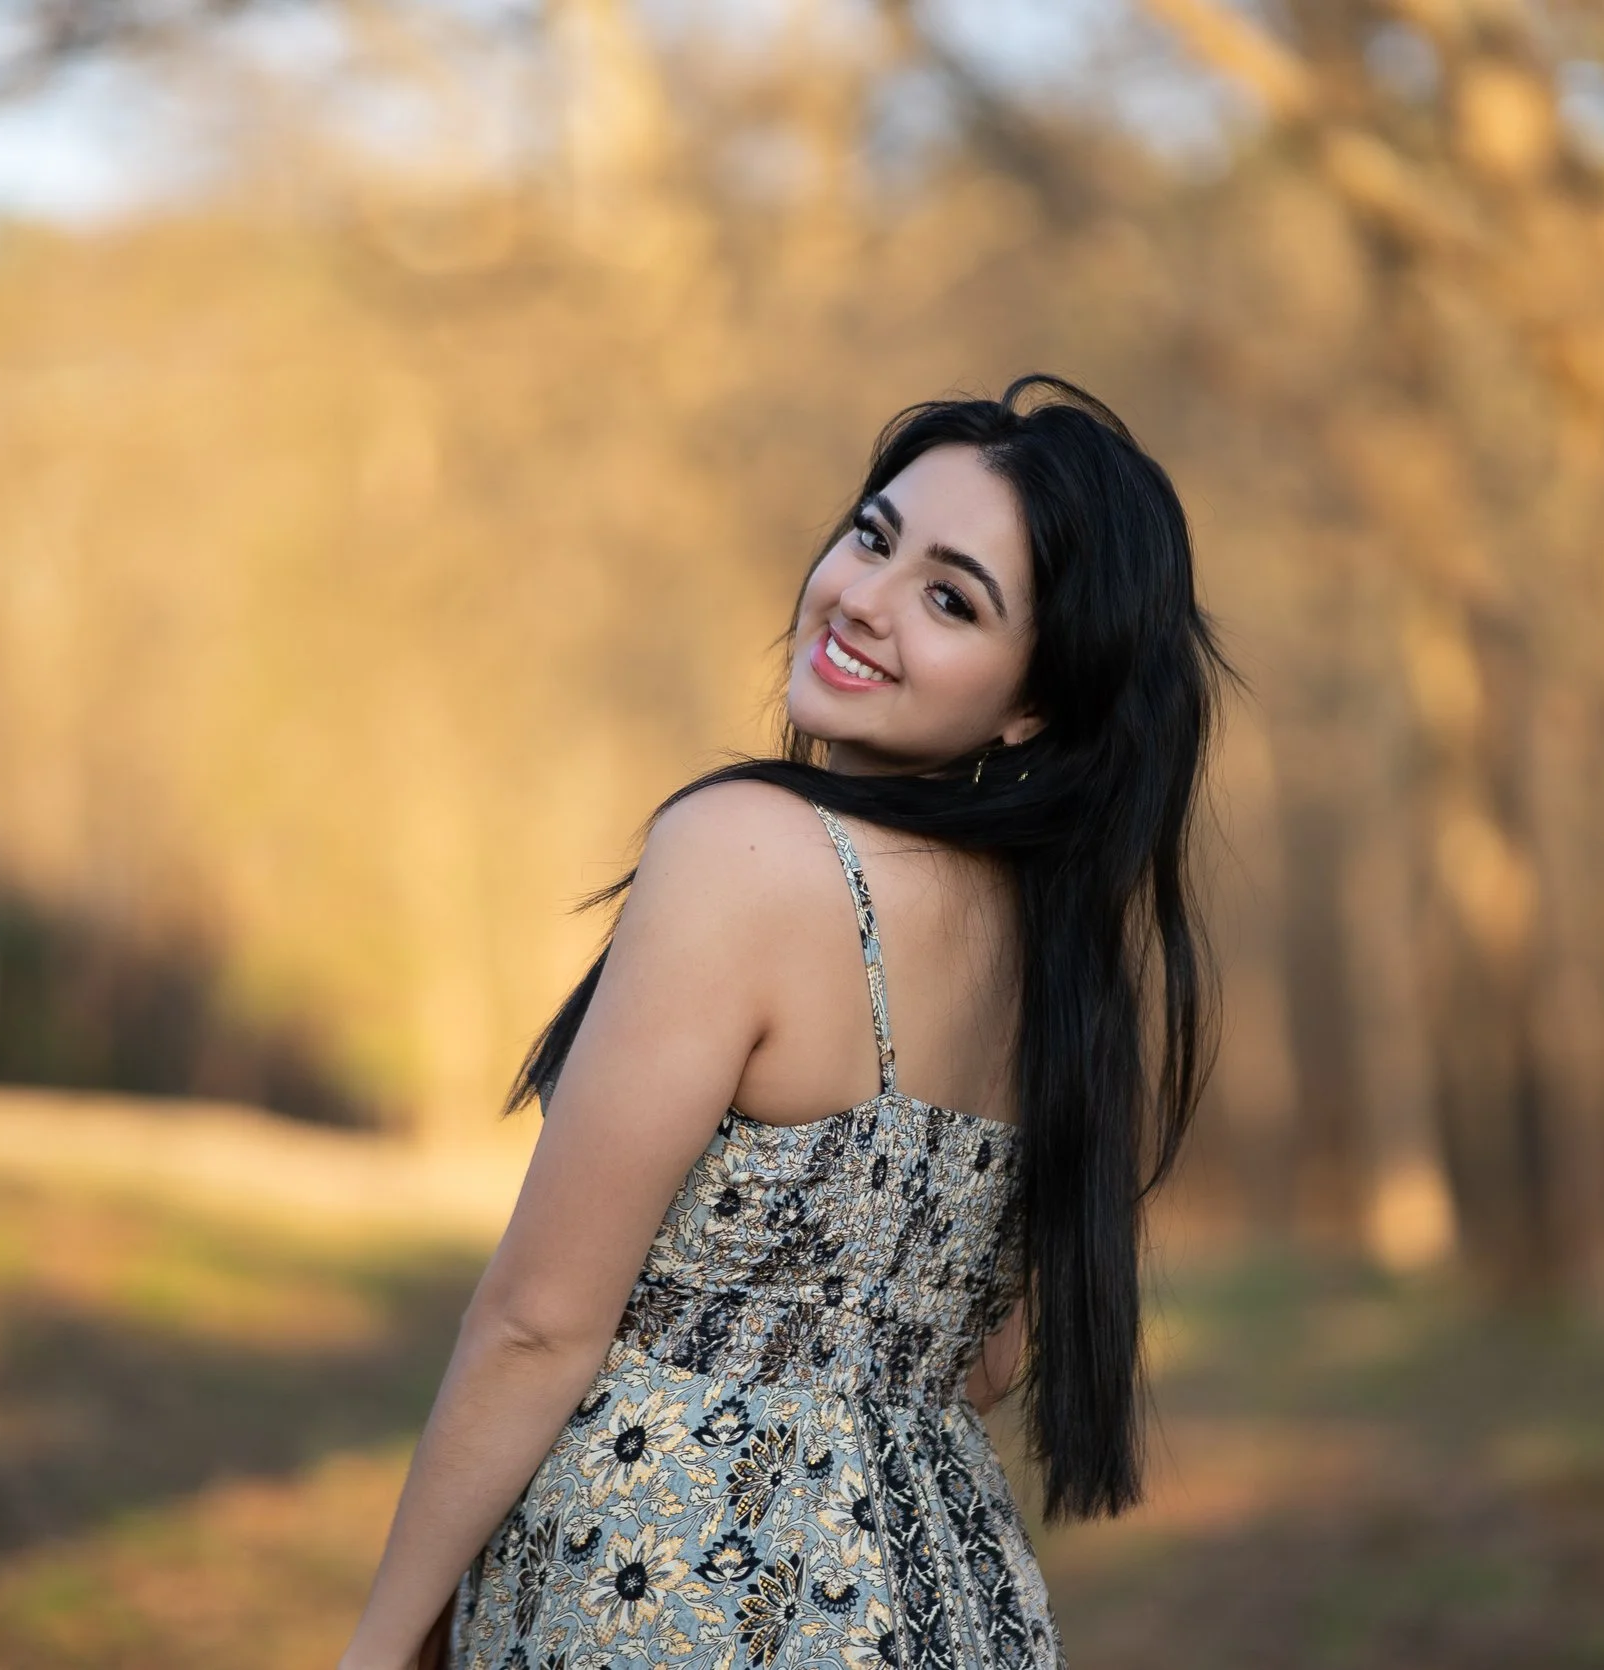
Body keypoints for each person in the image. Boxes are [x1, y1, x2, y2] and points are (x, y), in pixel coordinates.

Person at [338, 374, 1226, 1670]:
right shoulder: (1061, 955)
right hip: (954, 1604)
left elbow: (540, 1320)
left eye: (951, 597)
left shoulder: (742, 850)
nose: (864, 597)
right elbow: (986, 1358)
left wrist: (383, 1636)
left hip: (663, 1587)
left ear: (1036, 699)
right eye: (873, 536)